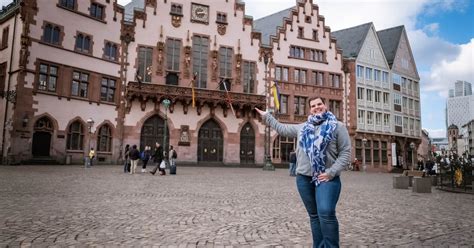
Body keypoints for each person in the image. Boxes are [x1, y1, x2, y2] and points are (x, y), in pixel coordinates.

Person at [255, 96, 351, 247]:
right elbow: (282, 129)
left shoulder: (337, 126)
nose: (317, 107)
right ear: (310, 109)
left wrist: (331, 172)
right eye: (313, 105)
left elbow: (345, 153)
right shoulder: (303, 127)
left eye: (319, 104)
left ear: (325, 106)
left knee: (326, 212)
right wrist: (267, 116)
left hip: (326, 177)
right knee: (314, 215)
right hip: (304, 178)